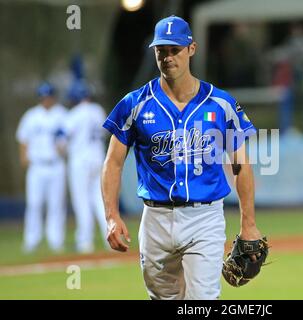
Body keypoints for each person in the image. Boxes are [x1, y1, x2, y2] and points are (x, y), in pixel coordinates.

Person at [101, 15, 263, 300]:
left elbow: (241, 165)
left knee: (202, 299)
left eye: (174, 49)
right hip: (155, 219)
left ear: (192, 49)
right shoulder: (135, 103)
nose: (167, 57)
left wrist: (248, 223)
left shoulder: (220, 103)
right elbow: (113, 162)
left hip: (204, 217)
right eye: (161, 50)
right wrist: (112, 216)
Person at [16, 82, 67, 253]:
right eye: (43, 97)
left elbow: (67, 140)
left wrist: (64, 149)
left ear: (53, 97)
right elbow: (23, 138)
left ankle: (56, 241)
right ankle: (31, 240)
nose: (46, 100)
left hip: (56, 164)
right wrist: (24, 157)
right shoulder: (31, 116)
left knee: (56, 204)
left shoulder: (62, 114)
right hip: (37, 166)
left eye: (49, 96)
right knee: (34, 203)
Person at [65, 81, 109, 253]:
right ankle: (109, 238)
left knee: (81, 201)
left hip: (80, 161)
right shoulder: (98, 110)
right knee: (100, 200)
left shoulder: (74, 114)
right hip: (98, 159)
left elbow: (62, 140)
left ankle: (85, 241)